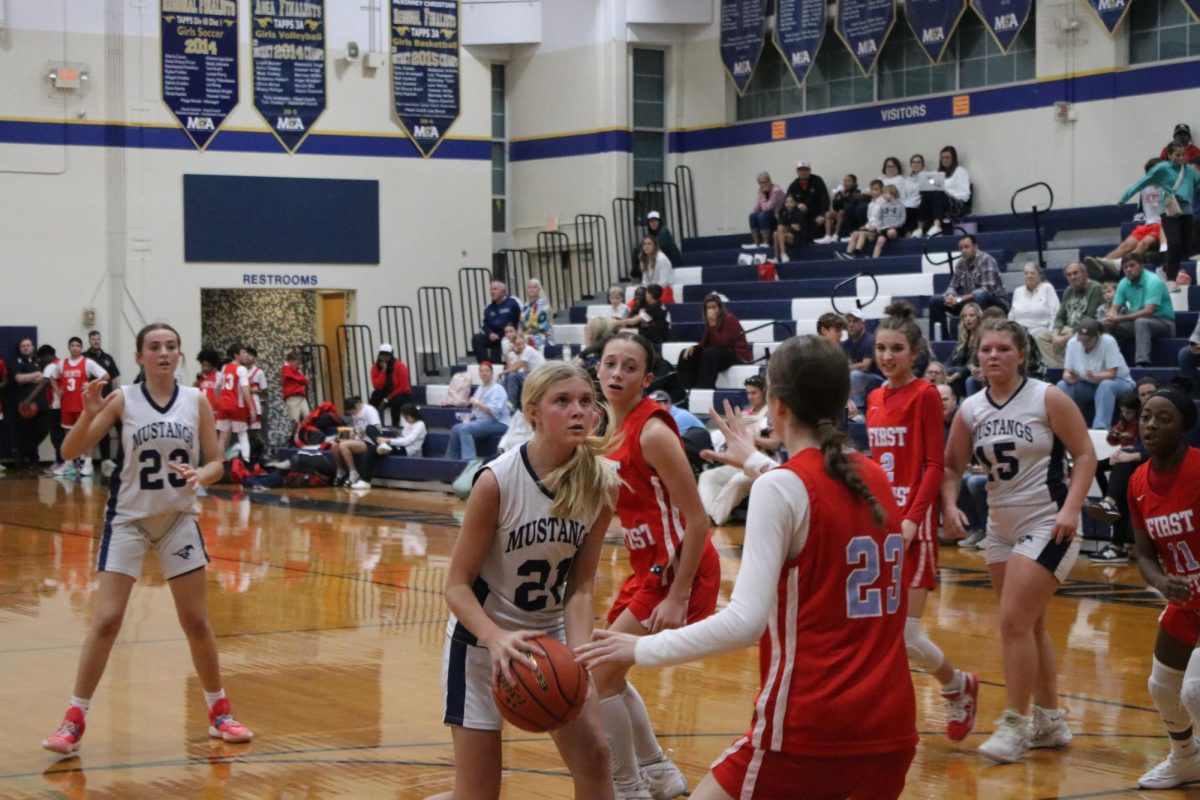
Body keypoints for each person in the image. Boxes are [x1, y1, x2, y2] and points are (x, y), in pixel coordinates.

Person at [578, 334, 918, 800]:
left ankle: (639, 778)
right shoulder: (874, 475)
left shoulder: (779, 488)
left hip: (810, 726)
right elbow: (816, 495)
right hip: (892, 728)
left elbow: (744, 623)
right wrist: (757, 460)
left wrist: (637, 651)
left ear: (774, 404)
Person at [40, 323, 252, 757]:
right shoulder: (123, 399)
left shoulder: (196, 400)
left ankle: (219, 711)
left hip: (177, 519)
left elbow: (217, 463)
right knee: (107, 620)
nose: (163, 353)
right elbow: (68, 452)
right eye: (154, 347)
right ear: (140, 357)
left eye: (171, 346)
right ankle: (73, 721)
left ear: (180, 354)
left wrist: (201, 474)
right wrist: (85, 411)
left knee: (196, 622)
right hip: (129, 521)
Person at [433, 362, 619, 800]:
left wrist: (579, 656)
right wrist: (495, 638)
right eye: (563, 401)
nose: (579, 412)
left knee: (595, 757)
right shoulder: (496, 481)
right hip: (480, 646)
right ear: (533, 411)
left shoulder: (604, 484)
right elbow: (456, 585)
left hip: (550, 638)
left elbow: (581, 586)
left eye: (586, 402)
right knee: (478, 794)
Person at [942, 318, 1096, 763]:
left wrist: (1071, 508)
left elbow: (1085, 454)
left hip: (1049, 522)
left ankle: (1015, 722)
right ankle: (1050, 719)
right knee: (1031, 624)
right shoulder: (971, 408)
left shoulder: (1047, 397)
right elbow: (952, 467)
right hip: (999, 526)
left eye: (1003, 349)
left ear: (1022, 354)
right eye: (986, 349)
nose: (993, 356)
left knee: (1012, 622)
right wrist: (951, 504)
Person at [593, 332, 722, 800]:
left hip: (678, 569)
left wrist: (679, 594)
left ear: (647, 379)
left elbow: (697, 518)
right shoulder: (607, 428)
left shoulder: (653, 431)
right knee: (609, 671)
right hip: (648, 569)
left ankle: (628, 786)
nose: (617, 374)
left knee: (599, 675)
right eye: (610, 364)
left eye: (629, 367)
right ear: (598, 368)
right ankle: (659, 773)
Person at [867, 301, 979, 740]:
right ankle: (890, 714)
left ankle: (956, 686)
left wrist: (916, 518)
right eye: (880, 348)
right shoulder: (874, 397)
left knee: (906, 635)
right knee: (881, 633)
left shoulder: (925, 394)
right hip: (879, 524)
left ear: (914, 353)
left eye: (896, 348)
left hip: (913, 526)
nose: (887, 356)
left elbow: (935, 464)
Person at [1127, 388, 1200, 789]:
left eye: (1164, 418)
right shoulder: (1137, 481)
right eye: (1146, 416)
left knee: (1196, 691)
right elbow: (1143, 554)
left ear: (1184, 428)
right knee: (1162, 686)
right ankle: (1186, 758)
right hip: (1186, 597)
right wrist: (1161, 583)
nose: (1151, 424)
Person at [697, 375, 778, 527]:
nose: (750, 396)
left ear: (764, 392)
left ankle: (715, 518)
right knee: (708, 476)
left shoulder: (770, 415)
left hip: (763, 464)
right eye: (748, 393)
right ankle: (707, 515)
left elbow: (776, 444)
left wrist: (752, 439)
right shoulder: (745, 414)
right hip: (740, 462)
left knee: (738, 481)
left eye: (754, 393)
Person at [1120, 142, 1197, 291]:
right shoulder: (1162, 169)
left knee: (1186, 248)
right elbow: (1142, 182)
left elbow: (1197, 182)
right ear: (1169, 155)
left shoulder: (1188, 170)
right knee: (1174, 243)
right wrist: (1125, 197)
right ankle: (1170, 278)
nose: (1181, 158)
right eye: (1177, 155)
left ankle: (1159, 263)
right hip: (1170, 210)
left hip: (1186, 211)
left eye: (1184, 155)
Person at [1084, 390, 1146, 564]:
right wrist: (1119, 435)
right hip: (1125, 457)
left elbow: (1144, 447)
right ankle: (1108, 498)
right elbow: (1112, 439)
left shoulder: (1143, 422)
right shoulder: (1125, 422)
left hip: (1135, 461)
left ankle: (1110, 500)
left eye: (1129, 412)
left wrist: (1128, 448)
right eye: (1123, 412)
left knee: (1121, 462)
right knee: (1096, 466)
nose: (1125, 415)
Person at [35, 337, 109, 476]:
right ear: (68, 348)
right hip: (67, 405)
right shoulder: (62, 364)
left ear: (81, 348)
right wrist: (57, 389)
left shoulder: (88, 363)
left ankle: (88, 463)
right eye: (72, 345)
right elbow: (52, 377)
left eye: (77, 346)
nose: (75, 348)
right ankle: (69, 463)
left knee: (87, 435)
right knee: (68, 436)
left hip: (83, 406)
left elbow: (106, 376)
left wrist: (91, 383)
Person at [1085, 158, 1167, 280]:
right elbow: (1132, 189)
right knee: (1126, 245)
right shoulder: (1145, 186)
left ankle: (1120, 264)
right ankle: (1102, 264)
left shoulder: (1167, 186)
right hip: (1147, 224)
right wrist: (1123, 199)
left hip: (1161, 226)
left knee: (1143, 244)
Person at [1056, 318, 1136, 429]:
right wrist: (1069, 378)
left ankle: (1100, 428)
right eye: (1082, 340)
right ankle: (1063, 427)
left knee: (1106, 385)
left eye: (1088, 340)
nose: (1084, 343)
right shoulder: (1073, 343)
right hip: (1088, 384)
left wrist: (1095, 376)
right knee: (1062, 385)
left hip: (1119, 382)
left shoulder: (1108, 342)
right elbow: (1066, 373)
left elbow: (1112, 373)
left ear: (1097, 336)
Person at [928, 234, 1010, 339]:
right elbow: (953, 285)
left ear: (975, 247)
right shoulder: (960, 264)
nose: (963, 251)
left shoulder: (987, 260)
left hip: (995, 303)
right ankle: (941, 341)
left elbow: (987, 289)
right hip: (971, 302)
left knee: (980, 297)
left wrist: (959, 299)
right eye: (961, 248)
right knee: (935, 300)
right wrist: (950, 296)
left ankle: (982, 338)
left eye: (967, 247)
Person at [1105, 255, 1176, 367]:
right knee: (1107, 325)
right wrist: (1112, 317)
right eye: (1125, 267)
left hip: (1163, 323)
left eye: (1132, 266)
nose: (1128, 269)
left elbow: (1148, 311)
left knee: (1141, 322)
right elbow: (1114, 307)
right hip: (1137, 321)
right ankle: (1111, 364)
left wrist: (1119, 318)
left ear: (1141, 266)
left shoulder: (1153, 281)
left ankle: (1142, 362)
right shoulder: (1123, 282)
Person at [676, 293, 751, 390]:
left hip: (735, 354)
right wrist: (694, 348)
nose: (711, 310)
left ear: (720, 308)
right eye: (708, 308)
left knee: (709, 353)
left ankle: (704, 389)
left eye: (714, 307)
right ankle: (686, 389)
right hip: (718, 353)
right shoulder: (711, 322)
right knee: (686, 354)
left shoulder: (729, 319)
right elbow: (705, 343)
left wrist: (712, 324)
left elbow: (723, 343)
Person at [1035, 262, 1104, 368]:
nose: (1072, 277)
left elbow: (1090, 318)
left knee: (1074, 338)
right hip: (1066, 329)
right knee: (1041, 337)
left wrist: (1066, 337)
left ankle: (1069, 367)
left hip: (1085, 330)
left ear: (1085, 273)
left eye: (1075, 273)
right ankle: (1061, 367)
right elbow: (1060, 316)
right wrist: (1055, 334)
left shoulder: (1095, 288)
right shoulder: (1068, 290)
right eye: (1069, 275)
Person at [447, 361, 510, 461]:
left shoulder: (498, 389)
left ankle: (469, 463)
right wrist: (468, 418)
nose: (484, 373)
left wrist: (477, 403)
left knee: (465, 429)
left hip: (499, 422)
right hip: (483, 421)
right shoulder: (480, 388)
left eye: (487, 371)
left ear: (491, 373)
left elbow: (493, 412)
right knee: (456, 428)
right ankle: (451, 461)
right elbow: (476, 410)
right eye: (482, 371)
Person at [916, 145, 971, 238]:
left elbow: (965, 195)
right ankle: (919, 228)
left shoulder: (960, 171)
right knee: (926, 193)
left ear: (953, 158)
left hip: (956, 203)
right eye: (943, 158)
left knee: (938, 192)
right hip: (939, 202)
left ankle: (937, 225)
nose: (945, 160)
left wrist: (948, 193)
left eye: (948, 157)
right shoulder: (937, 173)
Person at [214, 344, 256, 462]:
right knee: (242, 434)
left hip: (223, 405)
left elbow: (216, 386)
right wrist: (252, 409)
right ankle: (247, 462)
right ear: (236, 355)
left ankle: (219, 464)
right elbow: (245, 390)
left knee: (222, 437)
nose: (245, 355)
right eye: (243, 352)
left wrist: (219, 399)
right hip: (236, 405)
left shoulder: (224, 368)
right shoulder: (241, 369)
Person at [84, 330, 121, 467]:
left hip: (105, 399)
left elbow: (115, 379)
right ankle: (87, 461)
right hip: (90, 400)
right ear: (89, 341)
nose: (96, 341)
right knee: (89, 429)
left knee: (104, 428)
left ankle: (105, 459)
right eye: (93, 339)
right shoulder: (84, 358)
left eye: (98, 339)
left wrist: (116, 394)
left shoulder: (108, 358)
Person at [331, 395, 383, 490]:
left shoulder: (369, 410)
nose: (353, 415)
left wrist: (360, 432)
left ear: (357, 406)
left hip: (369, 441)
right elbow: (356, 430)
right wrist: (342, 436)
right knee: (335, 445)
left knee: (343, 445)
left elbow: (377, 427)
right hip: (359, 439)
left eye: (352, 412)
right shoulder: (355, 414)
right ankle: (340, 471)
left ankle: (353, 472)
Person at [13, 338, 47, 469]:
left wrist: (30, 377)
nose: (26, 348)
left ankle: (31, 456)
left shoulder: (40, 360)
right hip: (24, 404)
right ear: (20, 349)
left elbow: (45, 378)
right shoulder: (15, 361)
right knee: (26, 432)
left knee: (42, 430)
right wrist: (36, 374)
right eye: (23, 346)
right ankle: (28, 460)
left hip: (41, 403)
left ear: (33, 347)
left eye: (28, 345)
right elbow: (19, 379)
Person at [472, 281, 523, 364]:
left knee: (499, 355)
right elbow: (486, 325)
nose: (492, 292)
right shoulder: (489, 308)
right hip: (494, 338)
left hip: (508, 336)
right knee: (477, 338)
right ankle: (486, 365)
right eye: (491, 290)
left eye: (495, 289)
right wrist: (490, 334)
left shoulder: (512, 303)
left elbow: (518, 320)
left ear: (503, 291)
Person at [611, 284, 671, 352]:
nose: (645, 295)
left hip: (656, 336)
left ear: (650, 295)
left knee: (621, 331)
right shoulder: (660, 305)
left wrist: (616, 322)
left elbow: (634, 321)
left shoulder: (654, 308)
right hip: (658, 334)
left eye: (646, 293)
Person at [842, 309, 882, 408]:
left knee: (855, 375)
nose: (851, 324)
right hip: (861, 379)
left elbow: (865, 366)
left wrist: (845, 368)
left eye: (855, 321)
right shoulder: (846, 344)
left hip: (878, 380)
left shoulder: (869, 340)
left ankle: (859, 410)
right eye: (849, 321)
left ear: (862, 324)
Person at [1009, 263, 1060, 340]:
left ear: (1039, 276)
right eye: (1026, 273)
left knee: (1030, 336)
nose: (1029, 276)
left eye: (1032, 273)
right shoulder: (1018, 291)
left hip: (1041, 330)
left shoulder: (1047, 288)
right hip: (1019, 330)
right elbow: (1011, 315)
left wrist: (1052, 332)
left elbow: (1055, 312)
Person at [784, 160, 830, 243]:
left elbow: (825, 199)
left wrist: (822, 215)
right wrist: (797, 204)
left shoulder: (817, 181)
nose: (803, 172)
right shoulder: (793, 185)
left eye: (805, 170)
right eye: (801, 170)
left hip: (817, 216)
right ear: (797, 172)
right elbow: (786, 201)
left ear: (810, 170)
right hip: (802, 218)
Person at [837, 179, 883, 260]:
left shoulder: (883, 203)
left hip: (877, 230)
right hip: (870, 228)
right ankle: (848, 253)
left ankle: (856, 253)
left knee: (862, 233)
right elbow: (870, 218)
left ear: (881, 190)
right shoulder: (871, 203)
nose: (874, 191)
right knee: (855, 233)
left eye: (876, 189)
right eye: (872, 189)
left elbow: (880, 219)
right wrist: (866, 226)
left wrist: (870, 228)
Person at [369, 343, 412, 428]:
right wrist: (383, 371)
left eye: (387, 354)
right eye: (382, 354)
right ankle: (373, 423)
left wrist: (387, 399)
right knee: (375, 394)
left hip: (401, 394)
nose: (384, 357)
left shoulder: (400, 366)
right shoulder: (375, 367)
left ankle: (395, 425)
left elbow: (403, 387)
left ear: (391, 356)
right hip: (386, 393)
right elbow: (377, 386)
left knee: (396, 400)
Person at [944, 302, 982, 399]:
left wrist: (957, 374)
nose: (967, 319)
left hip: (974, 373)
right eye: (964, 316)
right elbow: (951, 359)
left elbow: (971, 364)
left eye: (971, 315)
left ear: (978, 317)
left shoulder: (982, 337)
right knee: (946, 372)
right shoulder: (963, 338)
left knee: (954, 371)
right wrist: (942, 371)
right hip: (960, 375)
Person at [815, 174, 864, 244]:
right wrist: (837, 199)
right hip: (841, 214)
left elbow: (850, 205)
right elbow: (836, 207)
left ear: (854, 183)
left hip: (850, 216)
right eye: (845, 181)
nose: (846, 183)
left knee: (841, 212)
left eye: (849, 181)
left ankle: (836, 235)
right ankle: (828, 236)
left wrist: (844, 197)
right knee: (828, 214)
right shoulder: (841, 192)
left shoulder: (856, 192)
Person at [502, 334, 545, 408]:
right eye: (518, 344)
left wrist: (501, 372)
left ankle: (511, 403)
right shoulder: (521, 353)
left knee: (512, 376)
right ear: (514, 345)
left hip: (540, 375)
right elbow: (512, 368)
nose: (521, 346)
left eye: (522, 344)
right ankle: (509, 403)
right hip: (532, 374)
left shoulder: (528, 350)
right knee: (508, 377)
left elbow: (516, 368)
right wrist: (506, 354)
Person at [243, 347, 268, 464]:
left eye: (250, 356)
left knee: (255, 432)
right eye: (246, 355)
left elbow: (264, 390)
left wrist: (252, 391)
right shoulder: (240, 371)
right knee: (246, 433)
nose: (248, 358)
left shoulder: (259, 372)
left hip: (254, 404)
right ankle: (249, 458)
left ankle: (260, 456)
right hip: (243, 405)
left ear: (254, 358)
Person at [748, 172, 784, 247]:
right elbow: (756, 209)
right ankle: (756, 243)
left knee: (763, 215)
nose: (763, 185)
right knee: (752, 216)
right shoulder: (761, 191)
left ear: (770, 181)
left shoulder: (776, 191)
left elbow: (768, 208)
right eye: (760, 183)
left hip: (778, 217)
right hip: (769, 216)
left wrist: (763, 196)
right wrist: (760, 195)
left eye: (764, 182)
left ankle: (765, 242)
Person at [636, 237, 675, 305]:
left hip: (663, 290)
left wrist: (651, 294)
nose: (646, 246)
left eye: (649, 244)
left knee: (653, 305)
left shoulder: (661, 259)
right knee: (634, 303)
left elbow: (663, 282)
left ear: (655, 246)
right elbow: (645, 280)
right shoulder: (643, 259)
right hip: (650, 292)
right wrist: (645, 292)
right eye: (644, 244)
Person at [281, 349, 310, 437]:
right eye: (297, 363)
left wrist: (304, 379)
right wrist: (304, 379)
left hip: (301, 396)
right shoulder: (286, 368)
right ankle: (293, 437)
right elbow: (300, 379)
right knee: (295, 420)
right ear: (291, 361)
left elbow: (304, 381)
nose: (299, 365)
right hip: (292, 397)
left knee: (307, 417)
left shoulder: (296, 371)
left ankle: (302, 436)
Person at [520, 278, 554, 349]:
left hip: (541, 336)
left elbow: (539, 327)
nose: (531, 289)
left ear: (539, 290)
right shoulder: (526, 306)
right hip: (526, 335)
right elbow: (521, 324)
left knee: (524, 342)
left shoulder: (543, 304)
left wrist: (524, 334)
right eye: (529, 287)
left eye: (534, 287)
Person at [772, 193, 806, 261]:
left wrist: (788, 228)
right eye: (787, 202)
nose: (789, 204)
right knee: (775, 234)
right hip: (785, 236)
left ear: (795, 203)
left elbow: (799, 229)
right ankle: (776, 257)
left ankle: (783, 253)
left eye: (791, 202)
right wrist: (790, 227)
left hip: (797, 238)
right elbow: (781, 225)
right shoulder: (784, 213)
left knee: (779, 230)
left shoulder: (798, 213)